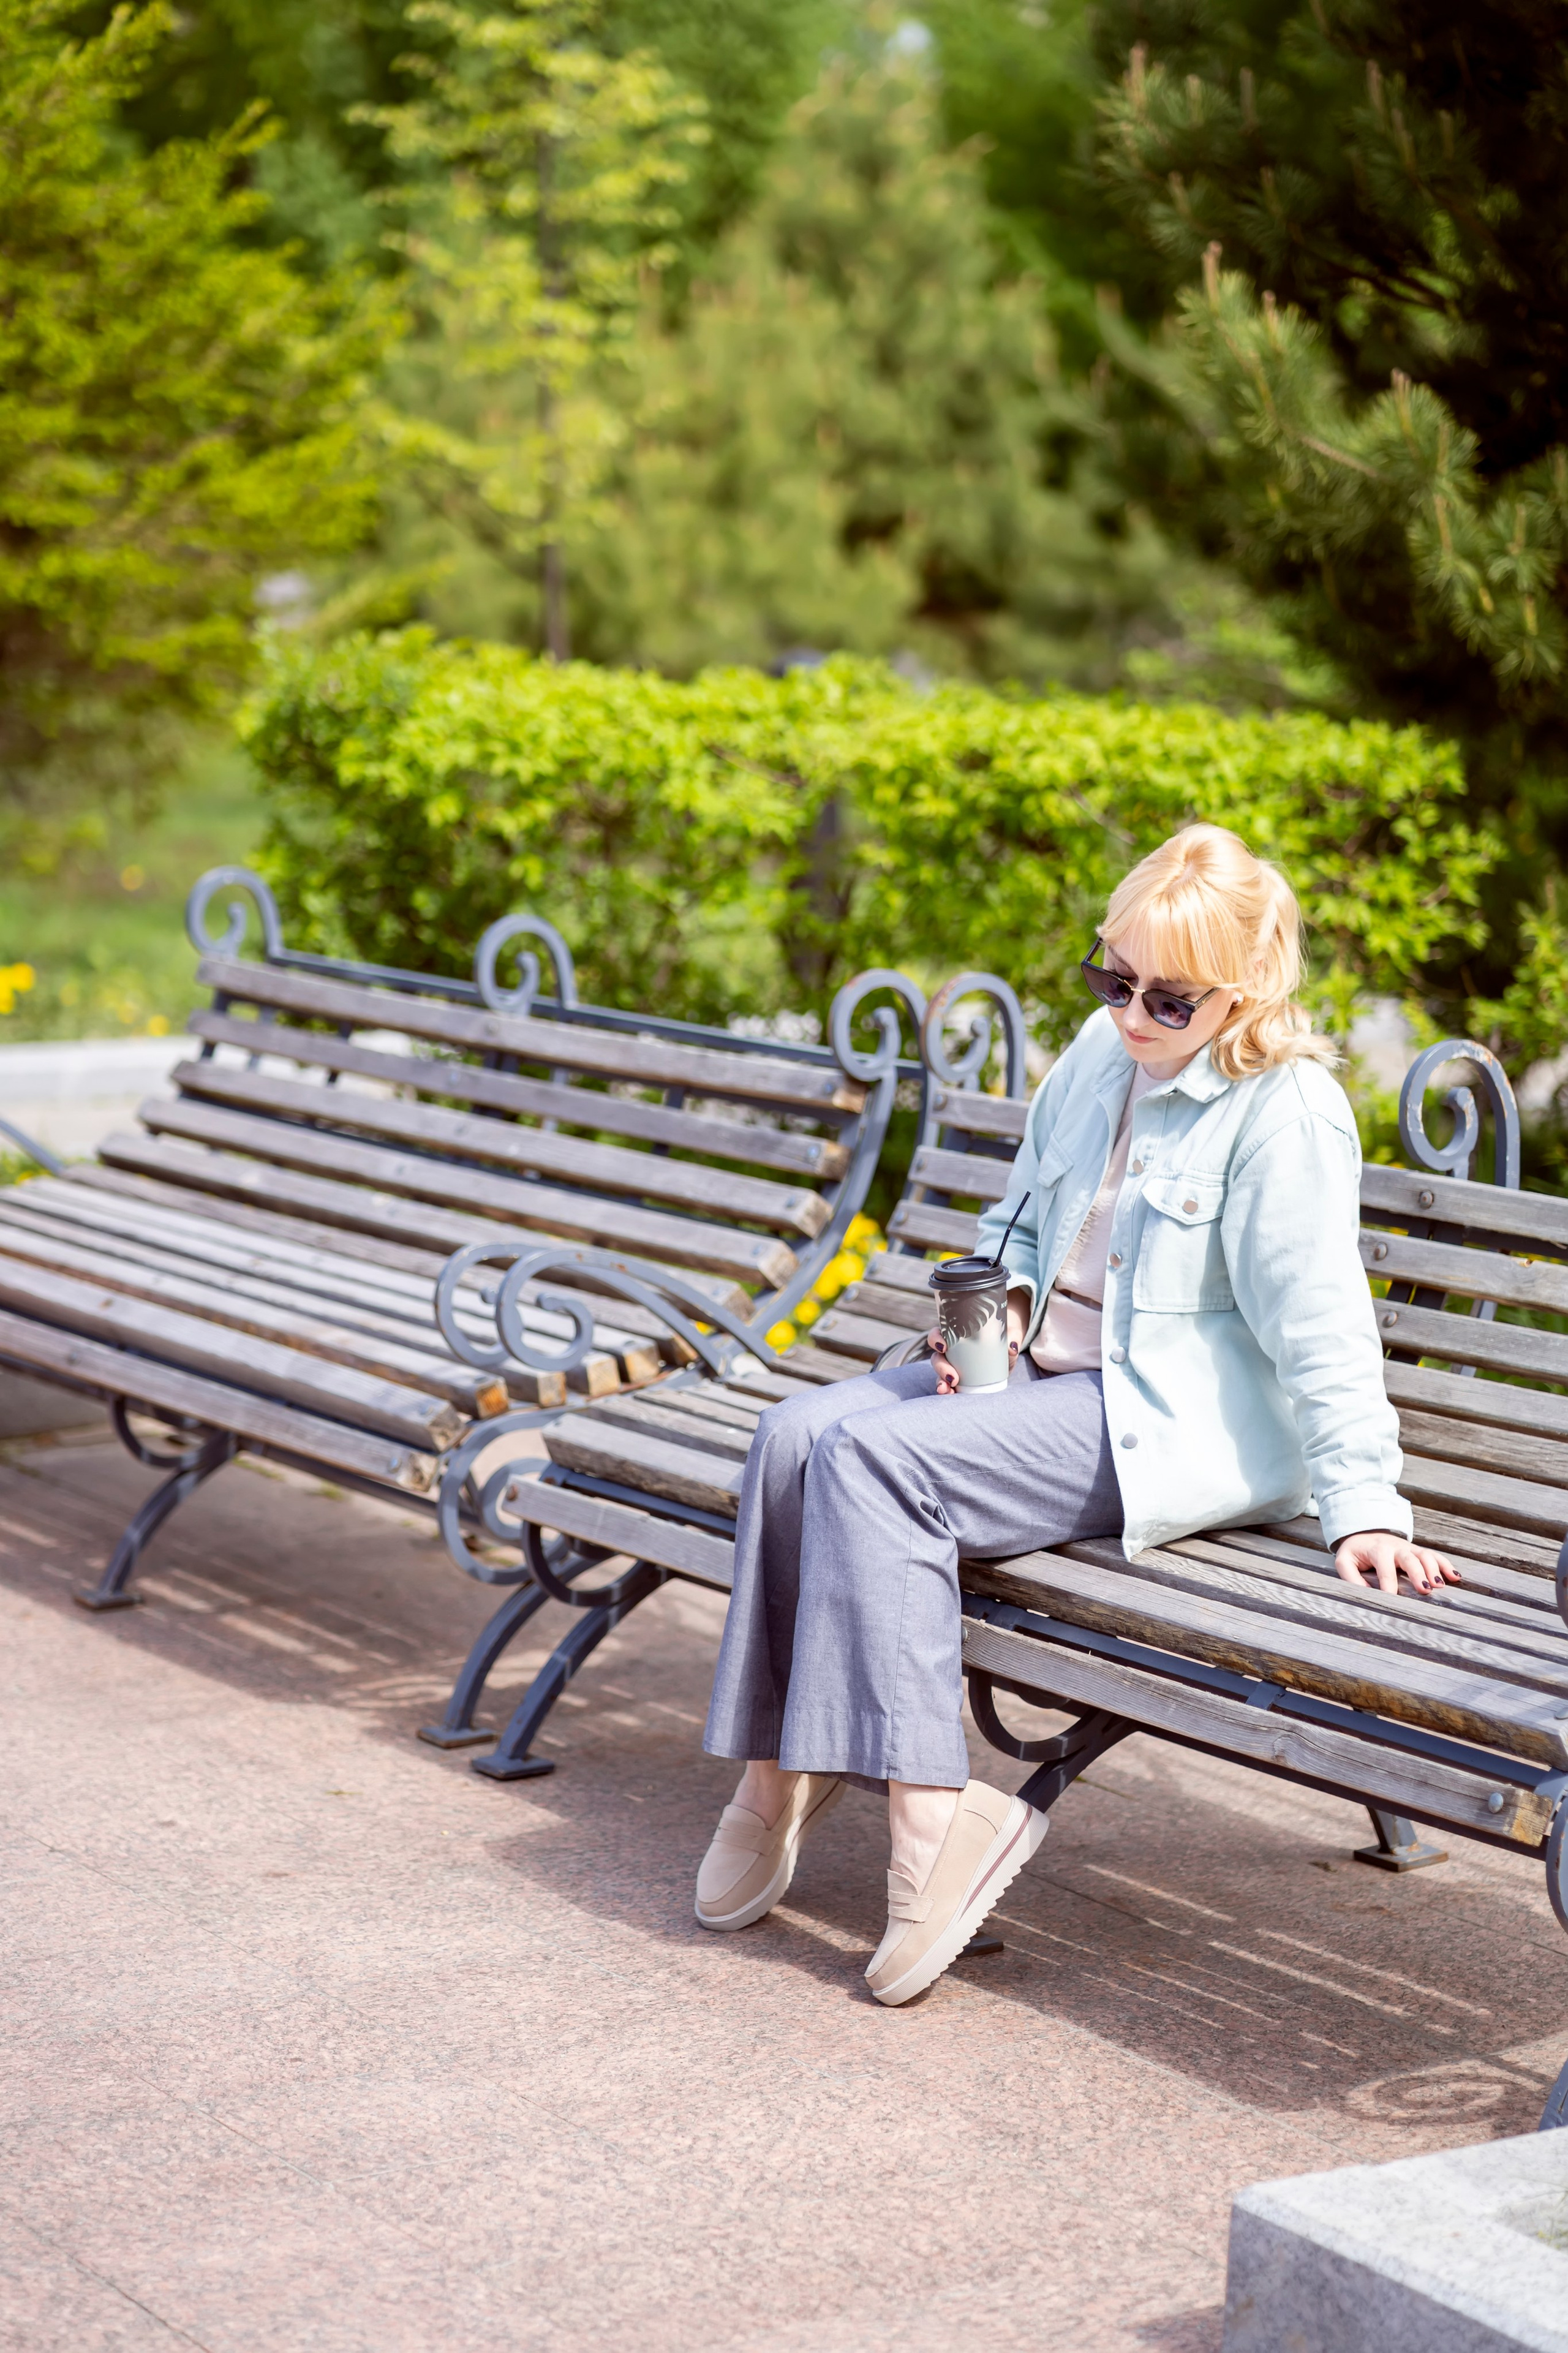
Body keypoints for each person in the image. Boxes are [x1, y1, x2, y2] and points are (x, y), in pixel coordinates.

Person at [696, 823, 1457, 2006]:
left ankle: (936, 1830)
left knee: (879, 1468)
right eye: (1113, 978)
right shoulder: (1094, 1061)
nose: (1133, 1015)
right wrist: (990, 1305)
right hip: (1039, 1372)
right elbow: (1020, 1220)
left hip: (1152, 1420)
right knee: (796, 1436)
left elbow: (1324, 1326)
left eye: (1169, 996)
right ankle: (777, 1771)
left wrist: (1366, 1502)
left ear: (1244, 991)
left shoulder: (1285, 1111)